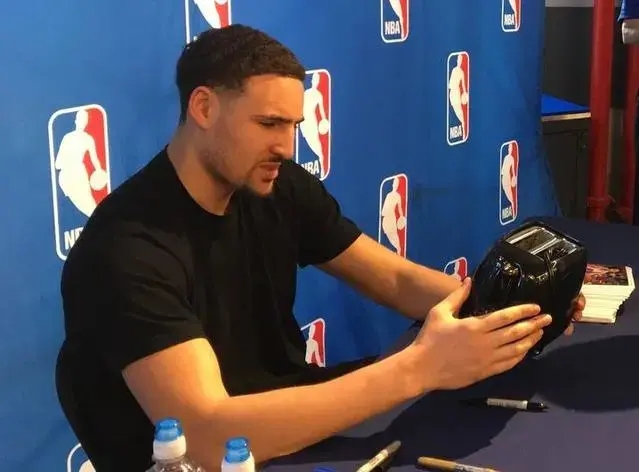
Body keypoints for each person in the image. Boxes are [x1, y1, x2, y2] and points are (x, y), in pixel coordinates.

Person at [54, 24, 586, 472]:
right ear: (203, 107)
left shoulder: (274, 184)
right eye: (268, 124)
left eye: (293, 126)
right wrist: (419, 368)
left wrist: (510, 312)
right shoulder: (126, 249)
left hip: (296, 425)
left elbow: (392, 278)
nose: (286, 147)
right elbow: (207, 435)